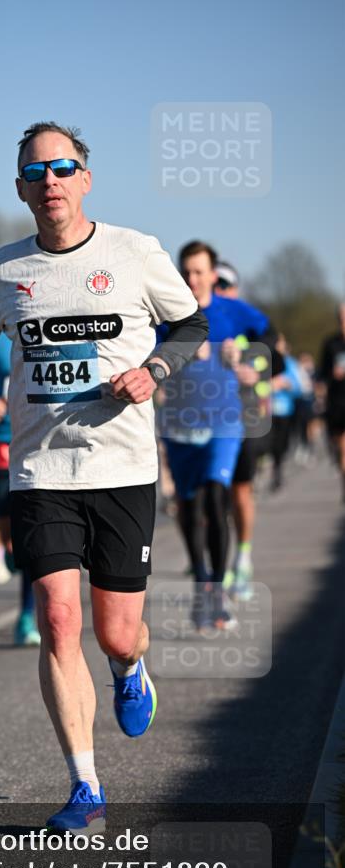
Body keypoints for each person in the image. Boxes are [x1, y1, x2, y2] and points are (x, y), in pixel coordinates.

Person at [0, 122, 208, 833]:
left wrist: (152, 370)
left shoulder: (134, 253)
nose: (50, 181)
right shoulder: (3, 270)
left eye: (63, 168)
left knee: (116, 632)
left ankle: (129, 670)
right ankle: (85, 785)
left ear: (85, 178)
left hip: (121, 468)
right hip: (39, 471)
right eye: (36, 172)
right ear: (20, 188)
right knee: (58, 621)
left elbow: (189, 329)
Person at [157, 242, 271, 629]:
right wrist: (176, 355)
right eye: (186, 271)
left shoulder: (231, 311)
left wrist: (253, 362)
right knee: (189, 506)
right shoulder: (167, 313)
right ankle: (202, 580)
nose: (192, 279)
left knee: (215, 496)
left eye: (199, 271)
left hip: (225, 421)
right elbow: (145, 351)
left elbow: (271, 340)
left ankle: (218, 593)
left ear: (212, 274)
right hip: (179, 424)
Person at [213, 261, 282, 599]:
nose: (219, 291)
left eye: (225, 285)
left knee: (239, 492)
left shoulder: (246, 321)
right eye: (216, 285)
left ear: (235, 289)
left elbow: (276, 355)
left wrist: (256, 368)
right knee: (211, 496)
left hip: (244, 417)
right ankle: (217, 565)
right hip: (206, 417)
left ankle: (242, 557)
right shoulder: (203, 317)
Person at [0, 332, 41, 645]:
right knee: (6, 529)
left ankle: (27, 617)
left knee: (28, 535)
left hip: (35, 440)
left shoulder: (44, 323)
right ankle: (12, 557)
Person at [318, 304, 345, 501]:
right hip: (336, 403)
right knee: (339, 450)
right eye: (341, 318)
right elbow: (321, 374)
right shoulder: (330, 344)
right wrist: (331, 376)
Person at [270, 335, 303, 491]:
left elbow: (299, 388)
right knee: (268, 444)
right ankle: (271, 470)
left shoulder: (290, 363)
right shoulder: (262, 360)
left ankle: (278, 470)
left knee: (281, 444)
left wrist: (286, 384)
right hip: (265, 411)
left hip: (284, 410)